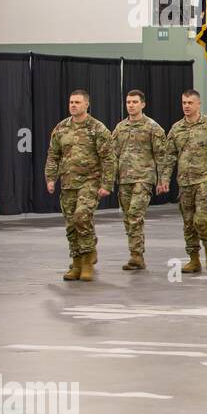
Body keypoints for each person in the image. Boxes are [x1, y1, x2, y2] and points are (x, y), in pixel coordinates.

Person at [45, 89, 116, 282]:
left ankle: (87, 259)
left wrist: (107, 184)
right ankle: (76, 263)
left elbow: (109, 158)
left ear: (86, 105)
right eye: (71, 102)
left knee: (81, 216)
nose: (73, 105)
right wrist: (51, 178)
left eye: (77, 102)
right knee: (70, 225)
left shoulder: (97, 128)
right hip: (68, 183)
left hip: (90, 182)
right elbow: (53, 155)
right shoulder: (61, 128)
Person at [166, 89, 207, 272]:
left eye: (190, 103)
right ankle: (194, 259)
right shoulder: (177, 128)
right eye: (184, 103)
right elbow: (169, 156)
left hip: (206, 179)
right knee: (188, 222)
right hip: (185, 182)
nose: (186, 106)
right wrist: (164, 178)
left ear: (198, 104)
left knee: (201, 219)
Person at [112, 89, 172, 270]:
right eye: (128, 102)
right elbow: (112, 154)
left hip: (143, 178)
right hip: (124, 179)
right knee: (128, 217)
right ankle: (136, 253)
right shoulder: (120, 128)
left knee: (135, 215)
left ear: (143, 104)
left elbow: (162, 156)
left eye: (135, 102)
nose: (131, 105)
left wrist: (163, 179)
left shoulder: (152, 127)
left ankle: (136, 256)